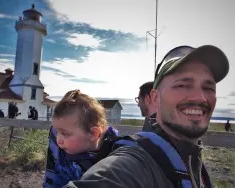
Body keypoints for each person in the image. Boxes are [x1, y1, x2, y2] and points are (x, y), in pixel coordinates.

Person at [65, 45, 229, 188]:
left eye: (209, 88)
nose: (200, 97)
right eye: (183, 85)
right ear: (155, 97)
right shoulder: (132, 164)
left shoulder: (193, 160)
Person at [43, 89, 118, 188]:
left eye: (65, 134)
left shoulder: (114, 159)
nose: (58, 140)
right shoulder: (60, 146)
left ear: (93, 134)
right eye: (57, 132)